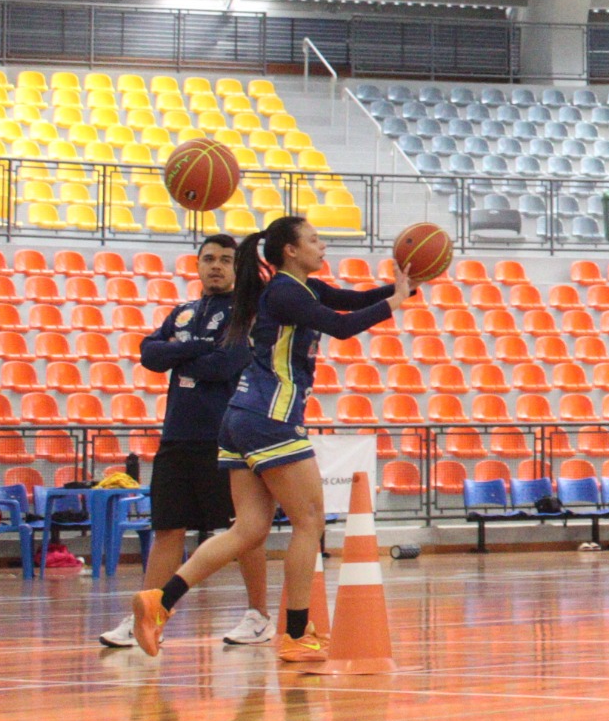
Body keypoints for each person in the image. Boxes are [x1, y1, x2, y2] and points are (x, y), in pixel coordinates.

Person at [131, 215, 412, 665]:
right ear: (290, 251)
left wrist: (404, 288)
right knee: (310, 520)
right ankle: (297, 634)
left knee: (248, 529)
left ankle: (159, 602)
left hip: (239, 417)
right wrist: (395, 304)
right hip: (270, 415)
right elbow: (339, 326)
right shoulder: (282, 291)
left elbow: (349, 300)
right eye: (315, 240)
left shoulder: (300, 289)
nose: (324, 248)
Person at [98, 235, 272, 650]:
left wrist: (180, 352)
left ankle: (258, 615)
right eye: (208, 259)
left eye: (226, 260)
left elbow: (223, 364)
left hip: (226, 437)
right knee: (167, 529)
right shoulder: (182, 312)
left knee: (242, 530)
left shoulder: (247, 314)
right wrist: (191, 348)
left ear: (237, 268)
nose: (216, 266)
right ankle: (146, 613)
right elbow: (149, 354)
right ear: (196, 266)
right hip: (177, 434)